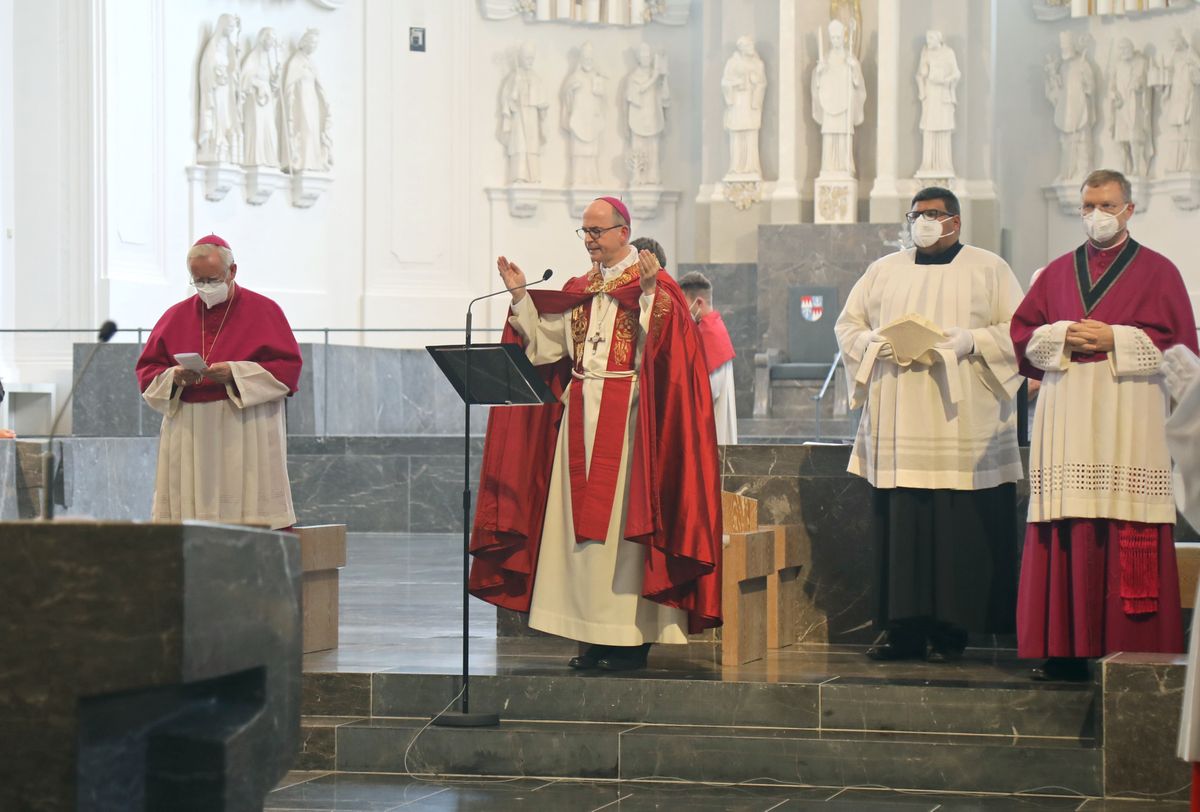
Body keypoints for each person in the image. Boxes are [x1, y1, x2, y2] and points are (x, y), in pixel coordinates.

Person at [468, 197, 722, 672]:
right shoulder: (578, 288)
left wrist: (648, 296)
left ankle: (630, 640)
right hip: (579, 418)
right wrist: (522, 298)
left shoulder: (656, 285)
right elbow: (548, 350)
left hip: (629, 426)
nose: (588, 240)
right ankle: (591, 636)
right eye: (583, 232)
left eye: (597, 232)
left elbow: (666, 353)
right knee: (579, 539)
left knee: (622, 539)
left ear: (623, 232)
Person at [1011, 169, 1198, 681]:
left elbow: (1182, 350)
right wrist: (1063, 334)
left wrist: (1115, 338)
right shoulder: (1053, 273)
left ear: (1129, 209)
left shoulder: (1161, 273)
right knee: (1068, 525)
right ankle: (1065, 650)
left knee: (1125, 526)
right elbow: (1023, 336)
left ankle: (1131, 650)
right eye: (1089, 205)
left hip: (1129, 415)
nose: (1097, 215)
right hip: (1067, 412)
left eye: (1107, 205)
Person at [834, 186, 1024, 663]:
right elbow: (847, 326)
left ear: (955, 221)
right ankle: (902, 631)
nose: (922, 222)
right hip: (900, 420)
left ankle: (953, 629)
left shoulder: (989, 268)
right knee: (904, 525)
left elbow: (1020, 332)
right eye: (916, 215)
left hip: (962, 421)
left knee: (954, 528)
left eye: (932, 214)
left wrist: (971, 342)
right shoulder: (883, 271)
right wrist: (876, 343)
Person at [135, 235, 302, 530]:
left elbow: (287, 370)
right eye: (198, 281)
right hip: (190, 428)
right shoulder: (175, 316)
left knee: (247, 503)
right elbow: (148, 371)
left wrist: (235, 374)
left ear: (232, 271)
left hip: (244, 424)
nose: (205, 288)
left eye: (212, 280)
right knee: (191, 515)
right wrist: (175, 376)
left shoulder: (265, 311)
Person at [677, 270, 738, 446]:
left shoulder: (707, 334)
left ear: (699, 302)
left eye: (683, 304)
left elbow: (706, 391)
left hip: (710, 436)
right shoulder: (714, 326)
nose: (682, 311)